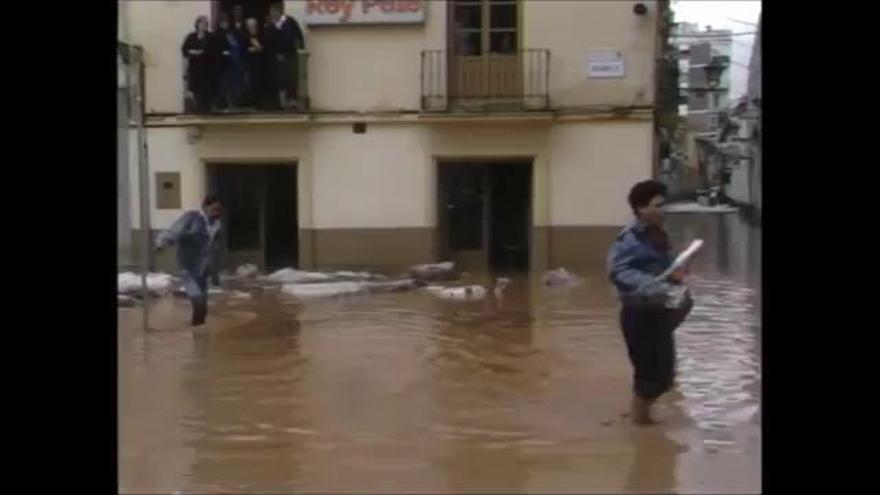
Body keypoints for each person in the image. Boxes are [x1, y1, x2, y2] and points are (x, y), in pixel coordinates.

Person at [607, 180, 693, 425]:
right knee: (648, 374)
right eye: (658, 205)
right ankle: (640, 424)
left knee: (665, 374)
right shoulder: (630, 239)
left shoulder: (658, 234)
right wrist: (656, 284)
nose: (663, 210)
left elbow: (667, 266)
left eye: (664, 205)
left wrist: (678, 272)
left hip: (659, 310)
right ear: (641, 209)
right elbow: (617, 271)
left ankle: (639, 414)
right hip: (639, 313)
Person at [156, 195, 224, 327]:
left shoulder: (217, 225)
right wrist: (162, 243)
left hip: (203, 268)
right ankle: (195, 334)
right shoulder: (192, 218)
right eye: (214, 209)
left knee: (203, 307)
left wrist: (215, 274)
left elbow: (215, 250)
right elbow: (175, 231)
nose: (217, 213)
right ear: (205, 207)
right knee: (198, 301)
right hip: (187, 267)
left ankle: (199, 338)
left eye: (219, 210)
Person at [266, 1, 305, 108]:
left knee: (292, 79)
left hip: (290, 55)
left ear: (278, 11)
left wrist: (300, 49)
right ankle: (282, 103)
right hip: (278, 58)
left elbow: (299, 36)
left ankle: (292, 101)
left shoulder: (290, 22)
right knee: (281, 80)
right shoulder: (271, 26)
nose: (271, 13)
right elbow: (268, 44)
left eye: (272, 11)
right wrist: (275, 54)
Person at [182, 16, 216, 113]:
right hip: (195, 69)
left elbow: (213, 51)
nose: (204, 25)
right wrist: (192, 52)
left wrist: (201, 52)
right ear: (197, 24)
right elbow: (184, 50)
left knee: (206, 93)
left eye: (206, 23)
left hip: (207, 70)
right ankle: (199, 110)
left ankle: (206, 110)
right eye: (202, 23)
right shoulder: (191, 36)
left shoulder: (211, 37)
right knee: (196, 91)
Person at [214, 12, 246, 109]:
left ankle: (232, 104)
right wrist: (223, 52)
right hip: (223, 65)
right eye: (223, 22)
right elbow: (216, 49)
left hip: (233, 64)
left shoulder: (231, 33)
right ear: (220, 23)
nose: (226, 24)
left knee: (233, 86)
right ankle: (222, 105)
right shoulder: (217, 34)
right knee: (223, 86)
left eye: (227, 22)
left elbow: (236, 45)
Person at [243, 17, 270, 109]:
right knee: (251, 83)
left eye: (254, 25)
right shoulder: (245, 36)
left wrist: (256, 47)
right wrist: (256, 48)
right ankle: (253, 103)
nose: (252, 27)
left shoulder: (261, 35)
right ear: (247, 26)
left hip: (261, 64)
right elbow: (244, 50)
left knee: (261, 83)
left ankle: (261, 103)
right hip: (249, 64)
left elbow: (263, 48)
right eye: (250, 25)